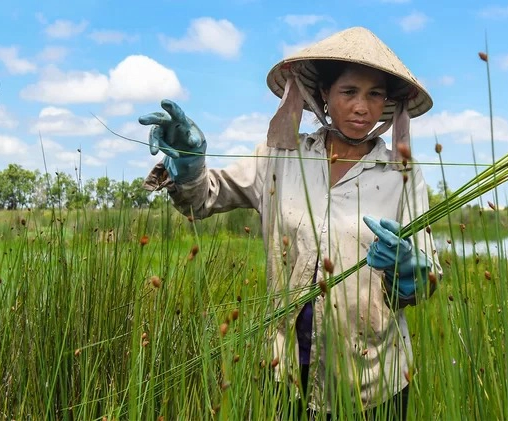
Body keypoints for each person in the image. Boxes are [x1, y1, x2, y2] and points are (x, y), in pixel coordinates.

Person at [140, 26, 442, 419]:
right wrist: (188, 161)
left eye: (374, 94)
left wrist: (411, 273)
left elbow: (427, 271)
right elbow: (202, 198)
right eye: (349, 92)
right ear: (324, 97)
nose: (362, 107)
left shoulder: (401, 174)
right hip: (284, 370)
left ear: (386, 103)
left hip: (372, 378)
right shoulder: (279, 158)